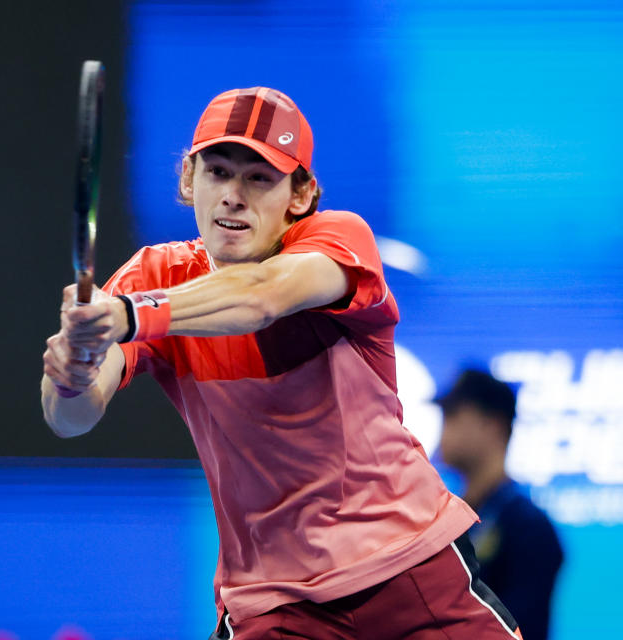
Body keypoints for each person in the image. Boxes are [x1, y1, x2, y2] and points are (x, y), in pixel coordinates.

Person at [41, 87, 522, 639]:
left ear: (301, 194)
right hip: (274, 606)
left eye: (259, 178)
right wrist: (73, 375)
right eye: (218, 172)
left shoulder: (339, 240)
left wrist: (126, 314)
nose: (233, 196)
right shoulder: (152, 275)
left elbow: (262, 296)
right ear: (187, 179)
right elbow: (71, 417)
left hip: (408, 570)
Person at [438, 369, 563, 640]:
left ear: (491, 424)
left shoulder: (528, 527)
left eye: (453, 414)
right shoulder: (451, 520)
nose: (443, 428)